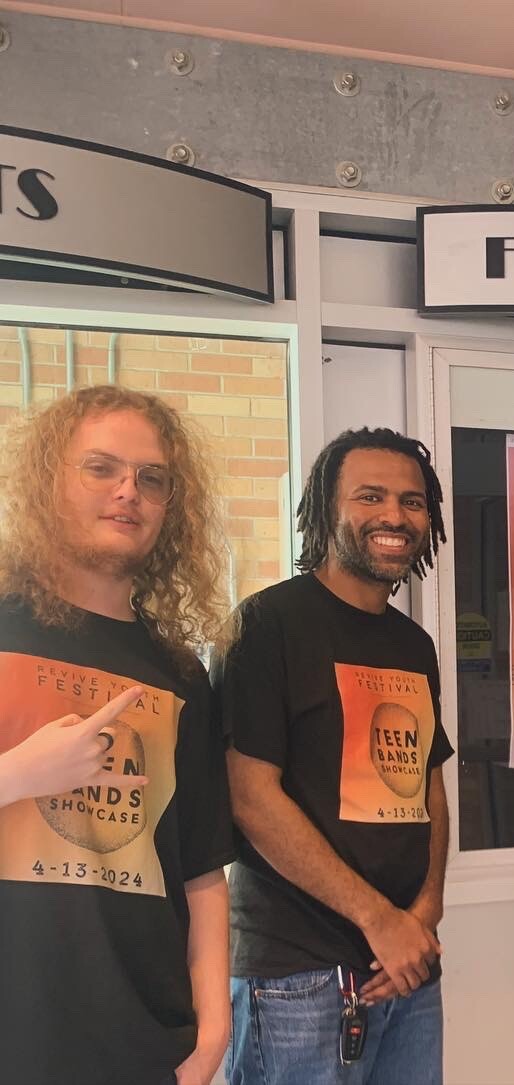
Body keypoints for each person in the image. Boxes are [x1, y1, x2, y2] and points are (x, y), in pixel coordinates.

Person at [0, 385, 233, 1085]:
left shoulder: (179, 673)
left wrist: (214, 1024)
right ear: (49, 483)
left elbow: (200, 870)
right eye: (100, 467)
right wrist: (19, 773)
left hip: (144, 1042)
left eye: (151, 478)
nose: (128, 490)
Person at [217, 427, 454, 1085]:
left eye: (412, 501)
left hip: (405, 967)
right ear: (328, 509)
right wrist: (381, 920)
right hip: (300, 974)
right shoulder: (267, 625)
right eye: (371, 496)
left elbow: (427, 790)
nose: (395, 516)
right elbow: (251, 796)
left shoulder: (414, 645)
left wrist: (422, 917)